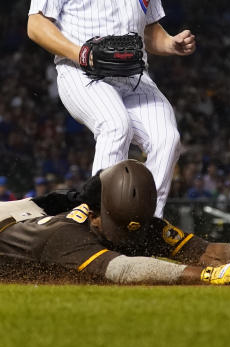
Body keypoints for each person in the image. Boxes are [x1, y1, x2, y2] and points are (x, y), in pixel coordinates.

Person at [0, 160, 230, 285]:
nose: (128, 238)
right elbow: (124, 269)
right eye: (117, 228)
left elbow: (210, 251)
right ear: (94, 215)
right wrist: (205, 277)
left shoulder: (137, 221)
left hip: (29, 213)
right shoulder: (66, 235)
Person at [26, 0, 196, 218]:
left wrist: (170, 43)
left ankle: (148, 221)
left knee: (167, 140)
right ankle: (99, 217)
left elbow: (149, 30)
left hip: (134, 77)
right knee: (116, 126)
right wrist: (81, 54)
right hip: (81, 72)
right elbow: (36, 25)